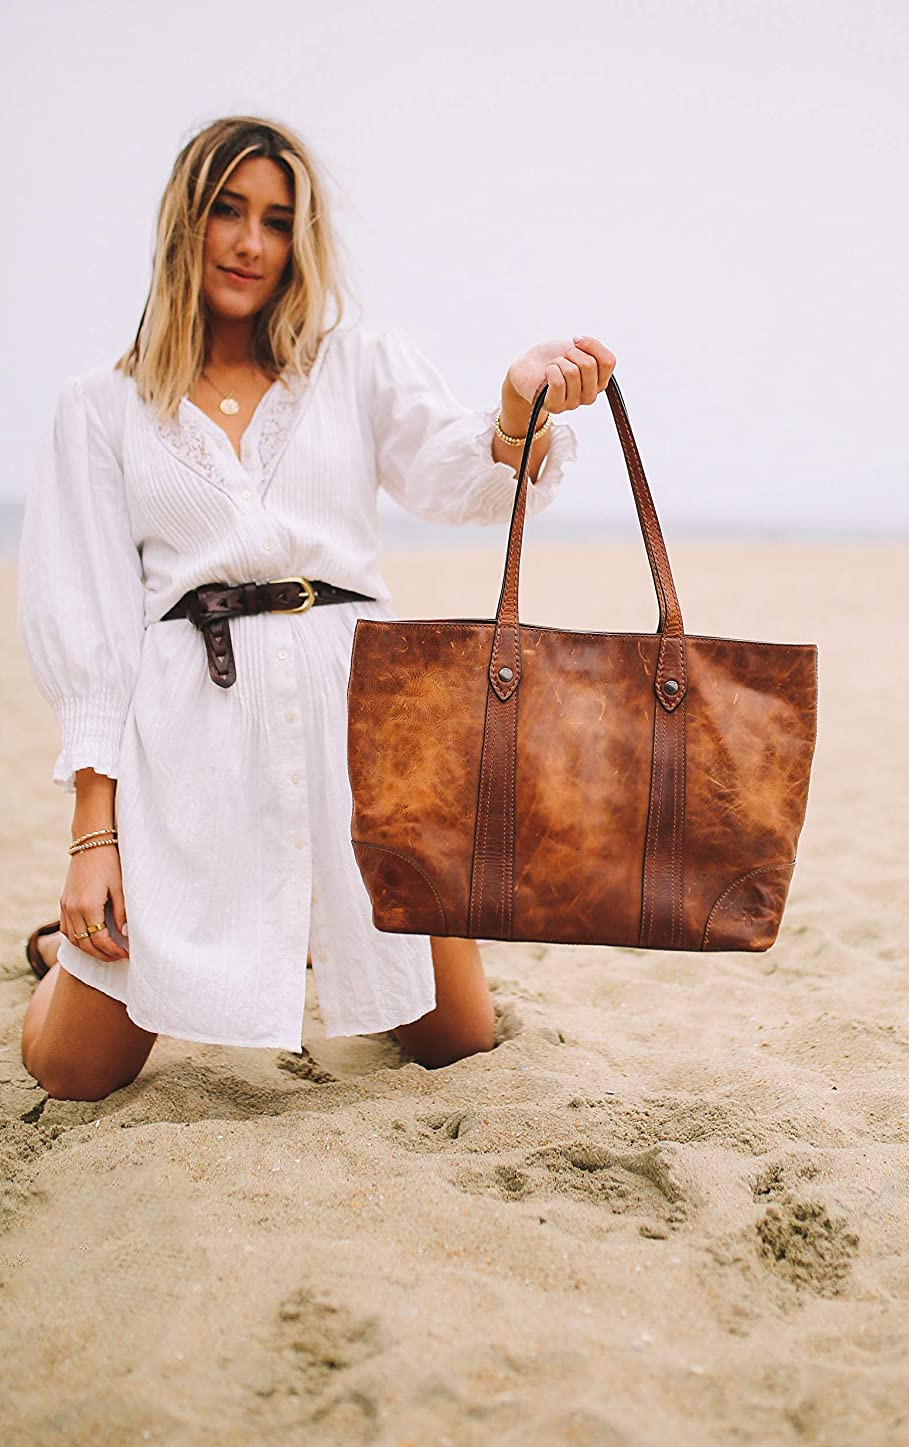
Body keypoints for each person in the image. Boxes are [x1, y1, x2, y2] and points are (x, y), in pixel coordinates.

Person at [17, 113, 616, 1102]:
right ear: (185, 222)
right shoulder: (100, 407)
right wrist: (95, 839)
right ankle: (57, 954)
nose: (251, 243)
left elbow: (461, 475)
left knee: (459, 1041)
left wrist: (517, 411)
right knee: (73, 1072)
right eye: (228, 211)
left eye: (277, 221)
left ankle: (311, 926)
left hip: (361, 732)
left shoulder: (356, 365)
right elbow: (89, 627)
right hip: (188, 744)